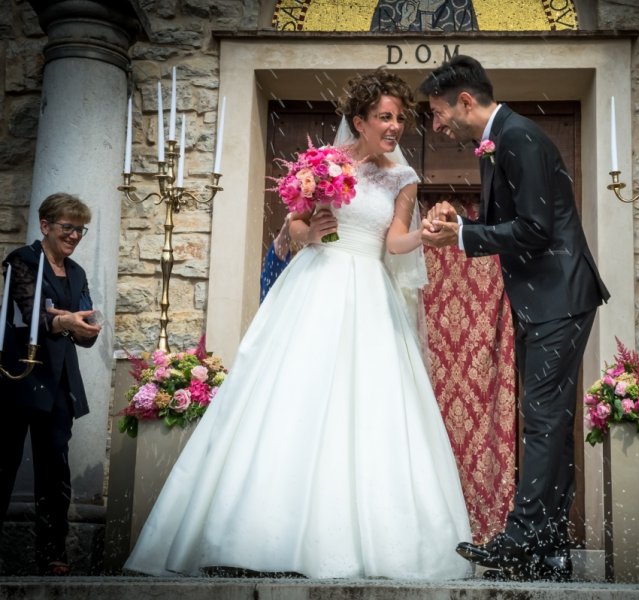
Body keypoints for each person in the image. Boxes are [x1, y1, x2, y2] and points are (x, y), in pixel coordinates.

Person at [124, 69, 473, 580]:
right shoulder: (323, 164)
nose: (395, 126)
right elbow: (291, 229)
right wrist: (307, 230)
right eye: (385, 117)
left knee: (365, 406)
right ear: (359, 120)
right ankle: (257, 534)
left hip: (369, 292)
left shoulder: (404, 179)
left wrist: (426, 234)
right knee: (292, 396)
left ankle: (360, 541)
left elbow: (393, 243)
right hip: (315, 283)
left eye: (400, 118)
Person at [419, 55, 611, 581]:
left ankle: (520, 537)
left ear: (465, 101)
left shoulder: (519, 138)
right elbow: (512, 221)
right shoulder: (496, 141)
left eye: (438, 113)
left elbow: (535, 229)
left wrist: (461, 237)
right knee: (548, 420)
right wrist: (465, 220)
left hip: (558, 296)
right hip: (544, 298)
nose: (436, 125)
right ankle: (547, 548)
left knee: (544, 420)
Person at [0, 193, 101, 575]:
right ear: (45, 226)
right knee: (4, 463)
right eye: (67, 228)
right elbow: (30, 312)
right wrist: (61, 320)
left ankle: (52, 553)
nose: (74, 235)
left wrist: (84, 326)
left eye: (80, 229)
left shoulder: (76, 272)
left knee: (55, 469)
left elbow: (84, 325)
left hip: (59, 381)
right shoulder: (22, 261)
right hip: (18, 375)